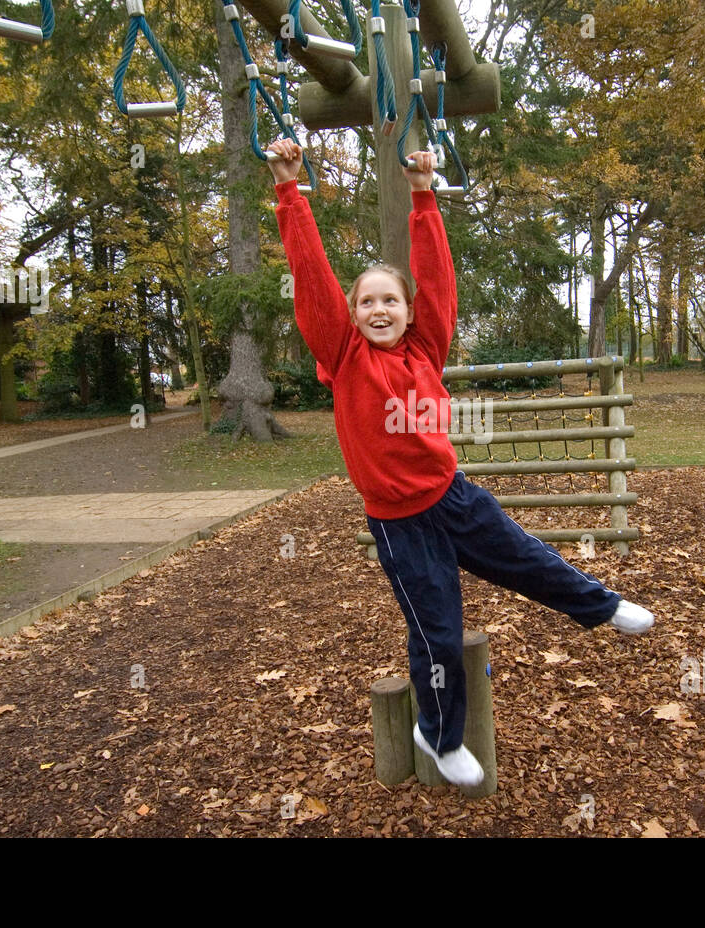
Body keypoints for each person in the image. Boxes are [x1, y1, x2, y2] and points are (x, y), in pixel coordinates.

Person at [267, 138, 654, 787]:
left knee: (532, 559)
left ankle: (601, 606)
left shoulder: (426, 348)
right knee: (440, 632)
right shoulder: (345, 356)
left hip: (454, 498)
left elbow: (438, 278)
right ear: (352, 315)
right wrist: (289, 192)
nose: (379, 309)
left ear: (410, 312)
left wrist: (425, 196)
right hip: (401, 525)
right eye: (367, 302)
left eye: (391, 300)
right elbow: (312, 279)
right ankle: (439, 734)